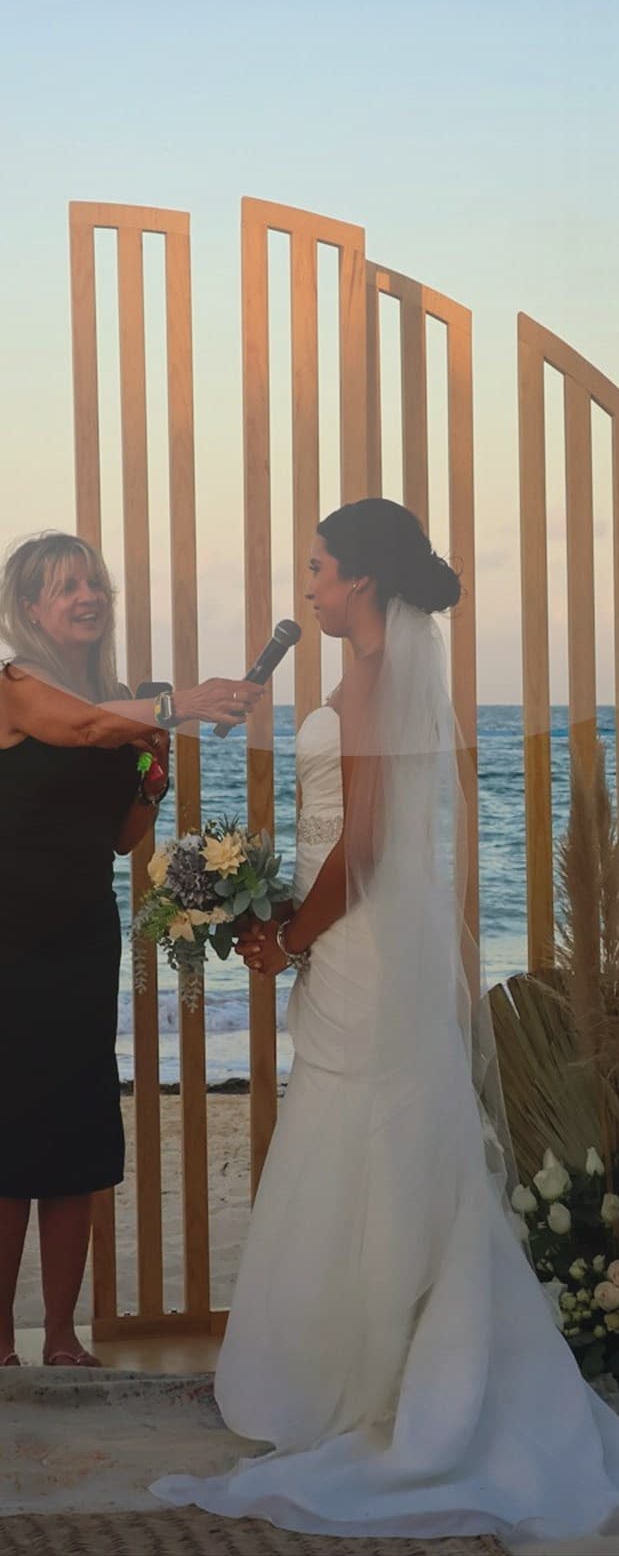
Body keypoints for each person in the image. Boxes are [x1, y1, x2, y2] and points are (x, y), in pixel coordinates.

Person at [150, 497, 619, 1543]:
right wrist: (271, 908)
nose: (307, 587)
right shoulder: (365, 674)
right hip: (356, 948)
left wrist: (290, 939)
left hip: (361, 946)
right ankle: (367, 1365)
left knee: (377, 1140)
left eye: (318, 567)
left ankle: (389, 1380)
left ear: (361, 579)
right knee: (363, 1139)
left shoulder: (381, 681)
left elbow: (367, 846)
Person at [0, 531, 263, 1369]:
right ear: (31, 609)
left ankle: (67, 1338)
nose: (87, 596)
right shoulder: (14, 687)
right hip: (7, 940)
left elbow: (122, 838)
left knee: (74, 1134)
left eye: (95, 583)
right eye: (65, 586)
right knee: (8, 1140)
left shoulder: (121, 702)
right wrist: (179, 703)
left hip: (82, 936)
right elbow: (75, 729)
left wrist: (153, 770)